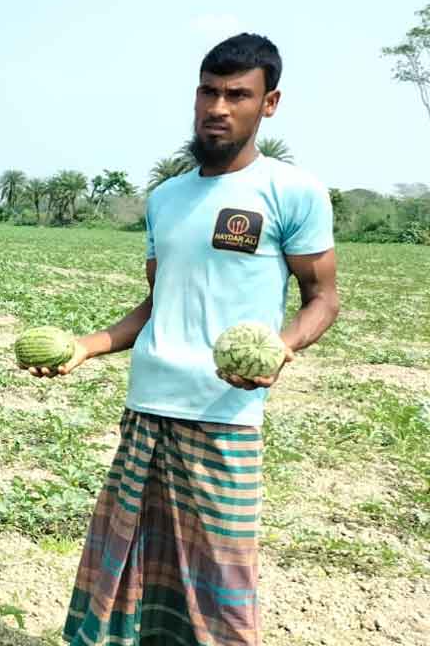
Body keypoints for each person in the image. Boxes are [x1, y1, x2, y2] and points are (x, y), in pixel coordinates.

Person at [31, 33, 340, 645]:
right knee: (126, 575)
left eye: (237, 94)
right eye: (208, 91)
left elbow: (322, 300)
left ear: (269, 103)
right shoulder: (167, 198)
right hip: (146, 412)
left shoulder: (291, 191)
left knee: (219, 587)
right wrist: (84, 346)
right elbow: (155, 304)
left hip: (224, 416)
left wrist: (281, 347)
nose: (218, 107)